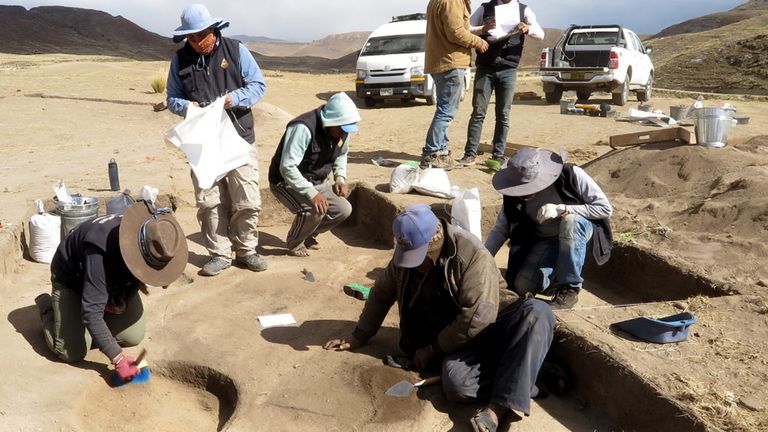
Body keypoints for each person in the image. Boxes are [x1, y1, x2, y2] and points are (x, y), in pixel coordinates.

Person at [324, 204, 555, 432]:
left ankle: (498, 407)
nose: (414, 264)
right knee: (456, 384)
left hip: (495, 324)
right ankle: (524, 373)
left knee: (537, 312)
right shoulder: (406, 252)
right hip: (463, 341)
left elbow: (478, 318)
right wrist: (360, 335)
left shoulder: (472, 255)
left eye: (419, 256)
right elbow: (382, 292)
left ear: (435, 240)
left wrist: (433, 349)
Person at [34, 202, 188, 383]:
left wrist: (125, 296)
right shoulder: (99, 248)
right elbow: (91, 312)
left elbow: (136, 274)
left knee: (132, 336)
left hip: (106, 278)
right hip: (71, 281)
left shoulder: (152, 235)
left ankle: (87, 320)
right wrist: (118, 358)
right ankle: (48, 309)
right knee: (72, 352)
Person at [166, 4, 268, 276]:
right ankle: (220, 253)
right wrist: (190, 108)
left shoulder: (236, 51)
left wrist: (232, 99)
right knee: (209, 201)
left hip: (239, 135)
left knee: (247, 198)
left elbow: (258, 86)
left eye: (203, 35)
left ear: (214, 29)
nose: (199, 42)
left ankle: (247, 249)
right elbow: (172, 99)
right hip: (203, 143)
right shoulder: (179, 60)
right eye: (192, 37)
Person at [486, 147, 613, 308]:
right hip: (545, 240)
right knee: (521, 287)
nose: (525, 194)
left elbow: (604, 209)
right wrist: (482, 259)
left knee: (571, 221)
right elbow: (501, 229)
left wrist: (563, 209)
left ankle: (569, 287)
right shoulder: (513, 193)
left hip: (579, 233)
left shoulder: (571, 175)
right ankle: (554, 277)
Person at [268, 93, 361, 257]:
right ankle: (295, 243)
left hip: (317, 181)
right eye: (341, 129)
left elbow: (341, 154)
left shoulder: (341, 131)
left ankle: (308, 233)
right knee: (315, 209)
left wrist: (340, 177)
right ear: (331, 122)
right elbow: (287, 167)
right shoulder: (302, 128)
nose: (343, 134)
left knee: (343, 209)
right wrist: (311, 193)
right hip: (286, 182)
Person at [459, 0, 545, 166]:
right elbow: (466, 28)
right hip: (485, 67)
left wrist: (527, 29)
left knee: (503, 114)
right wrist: (483, 29)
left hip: (508, 69)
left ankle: (498, 155)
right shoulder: (485, 8)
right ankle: (470, 153)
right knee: (478, 112)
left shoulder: (523, 10)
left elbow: (540, 34)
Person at [421, 0, 489, 170]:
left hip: (440, 61)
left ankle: (442, 153)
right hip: (450, 62)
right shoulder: (453, 1)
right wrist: (479, 42)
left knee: (444, 109)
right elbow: (456, 32)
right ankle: (431, 153)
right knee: (446, 111)